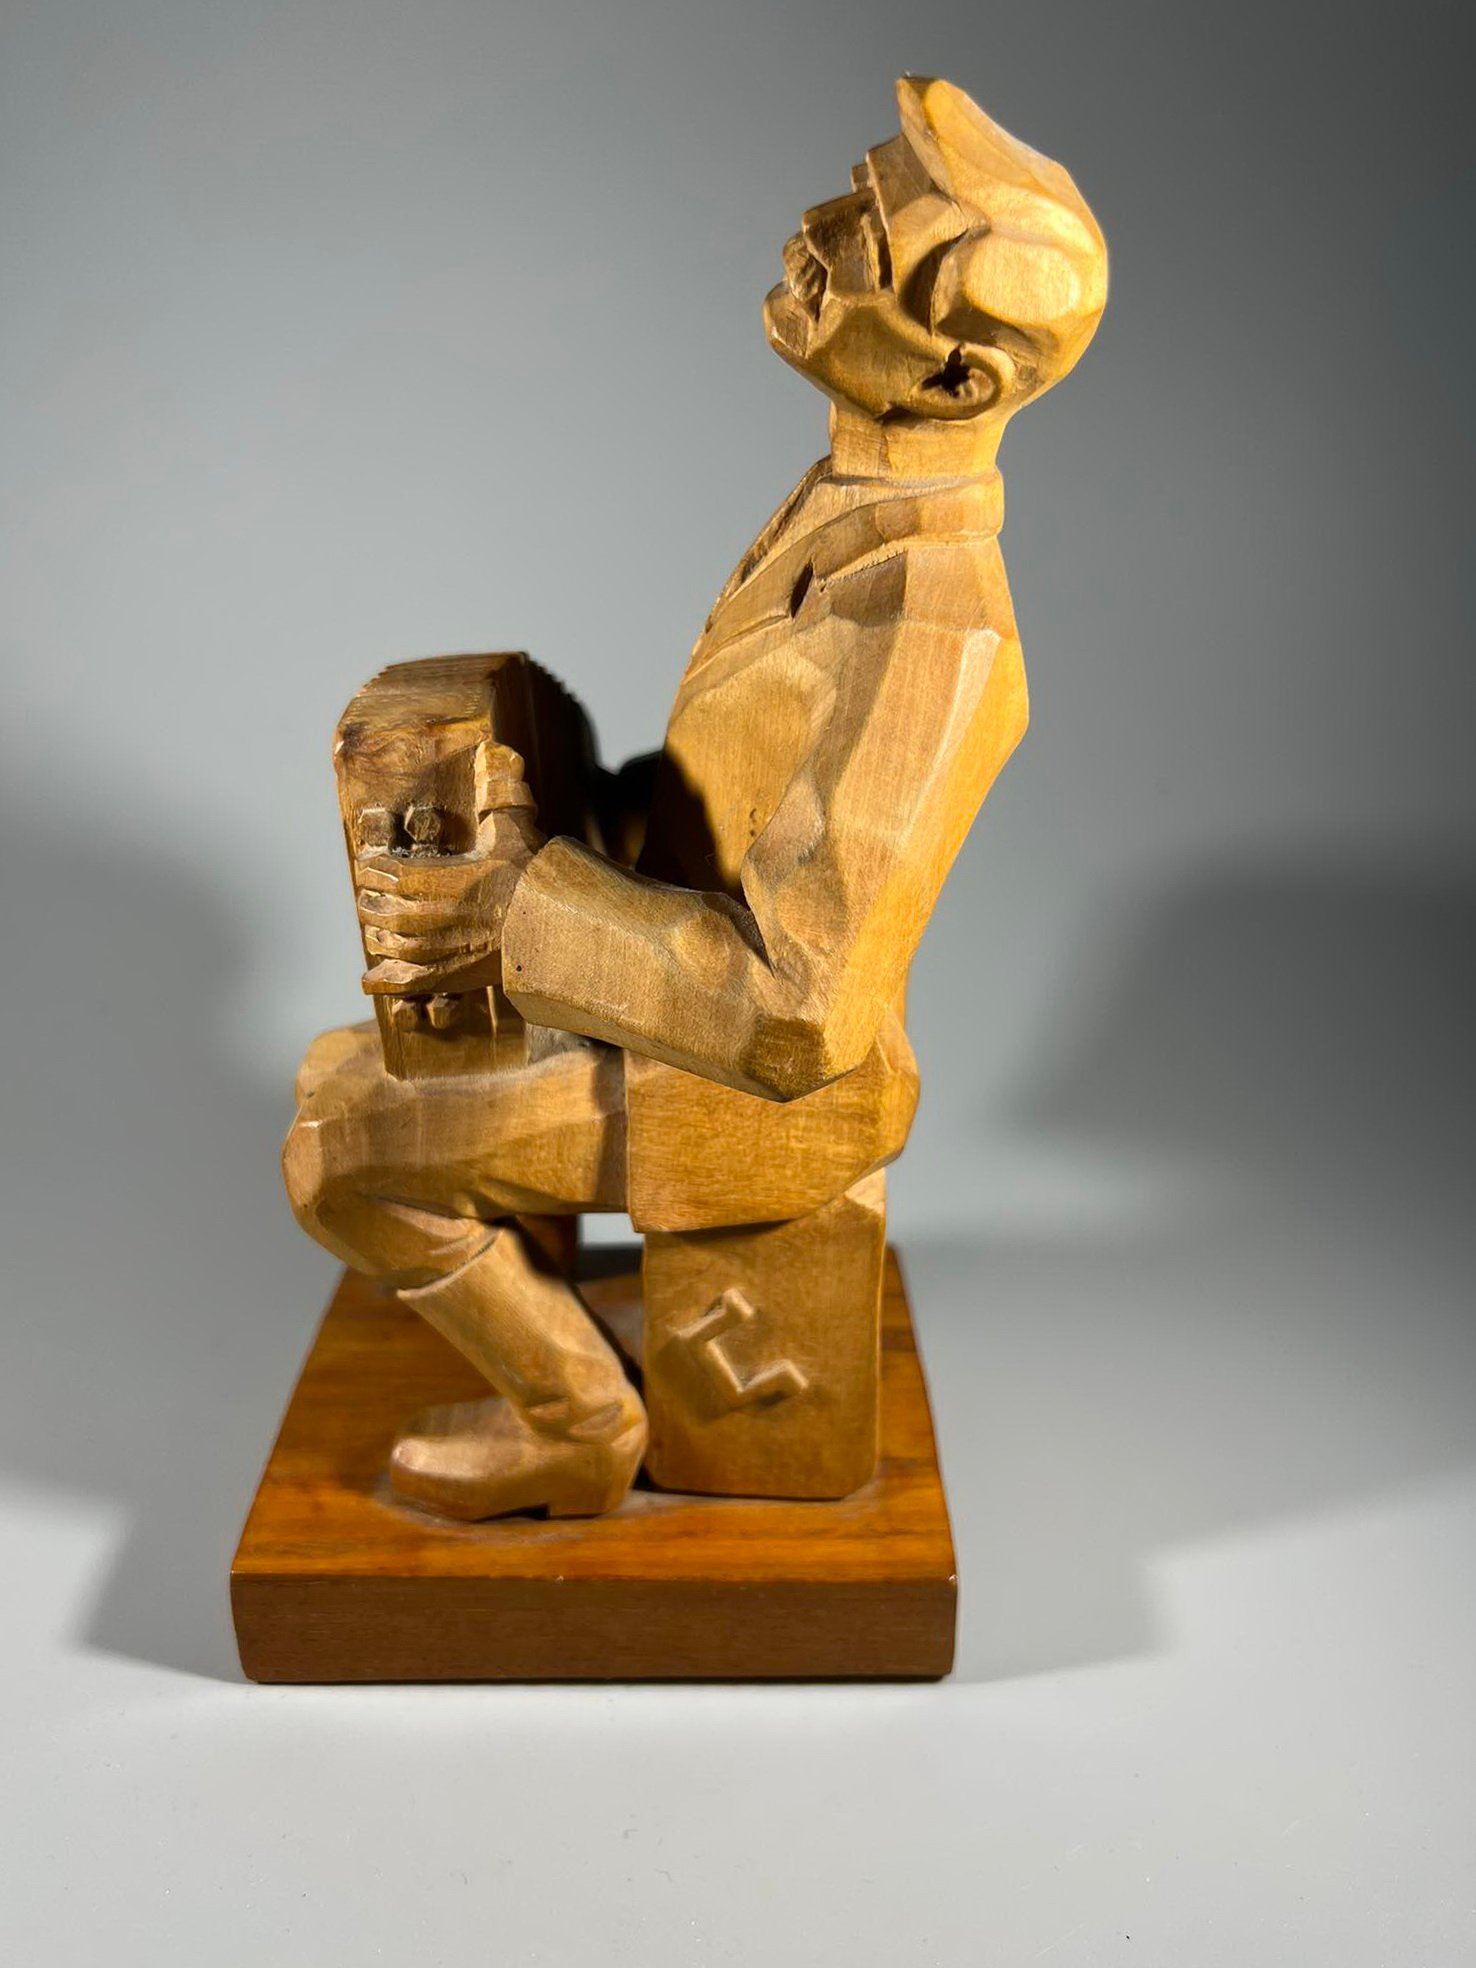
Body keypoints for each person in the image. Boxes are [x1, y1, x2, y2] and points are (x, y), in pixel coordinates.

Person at [284, 76, 1108, 1519]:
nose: (815, 232)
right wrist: (530, 808)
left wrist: (513, 908)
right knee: (335, 1067)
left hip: (753, 1095)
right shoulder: (850, 504)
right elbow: (729, 809)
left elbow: (796, 1015)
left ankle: (576, 1420)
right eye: (854, 193)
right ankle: (553, 1317)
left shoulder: (934, 633)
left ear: (958, 381)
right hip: (676, 1008)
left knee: (335, 1154)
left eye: (867, 240)